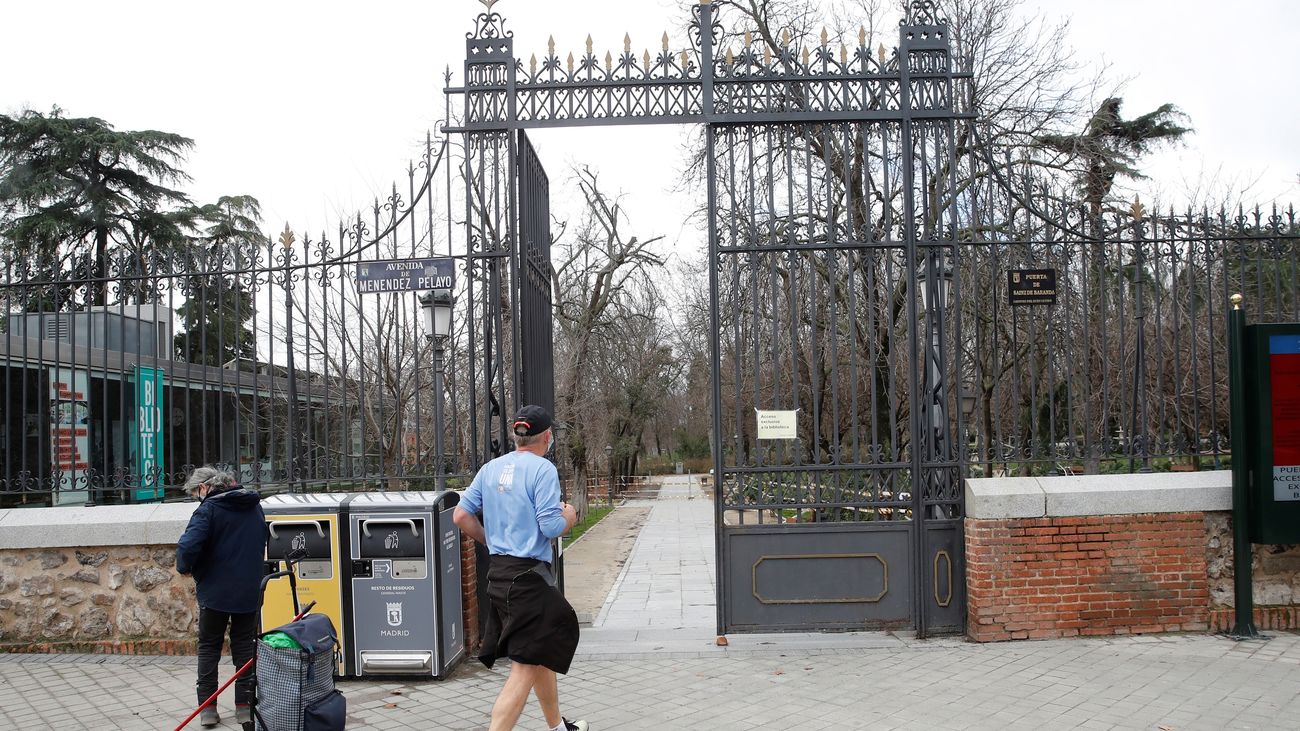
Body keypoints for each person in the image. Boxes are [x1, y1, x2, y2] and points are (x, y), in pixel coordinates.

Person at [453, 405, 588, 731]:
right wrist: (569, 516)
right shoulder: (542, 470)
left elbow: (460, 515)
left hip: (500, 574)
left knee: (538, 653)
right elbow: (550, 526)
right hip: (528, 580)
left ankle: (557, 727)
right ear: (547, 436)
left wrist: (491, 540)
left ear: (516, 436)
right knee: (524, 667)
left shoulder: (490, 469)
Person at [175, 466, 268, 728]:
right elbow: (262, 539)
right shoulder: (253, 505)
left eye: (196, 492)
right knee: (245, 647)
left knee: (209, 647)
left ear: (205, 487)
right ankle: (244, 706)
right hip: (249, 588)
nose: (197, 497)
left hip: (215, 591)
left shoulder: (208, 509)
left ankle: (208, 709)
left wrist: (185, 567)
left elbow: (187, 545)